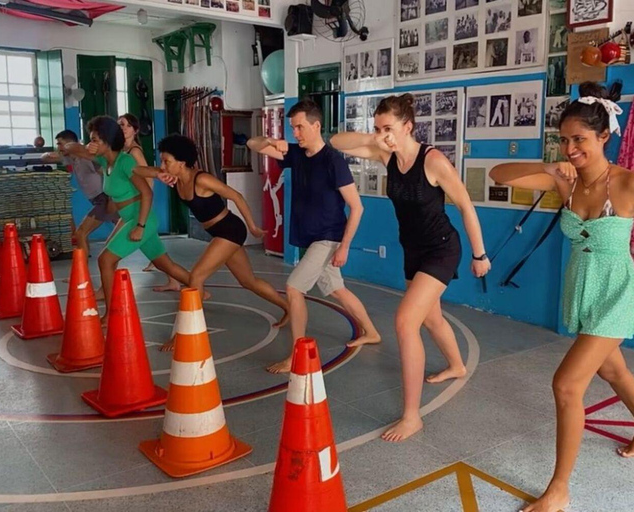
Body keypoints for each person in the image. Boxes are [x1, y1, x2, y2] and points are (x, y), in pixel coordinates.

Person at [490, 83, 634, 512]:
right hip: (582, 289)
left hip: (617, 293)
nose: (571, 148)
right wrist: (552, 167)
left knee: (567, 386)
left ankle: (559, 490)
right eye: (565, 139)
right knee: (614, 373)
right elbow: (500, 174)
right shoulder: (563, 181)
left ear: (604, 137)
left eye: (580, 140)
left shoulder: (626, 184)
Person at [330, 93, 490, 443]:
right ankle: (457, 366)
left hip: (442, 249)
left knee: (405, 322)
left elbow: (466, 206)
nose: (384, 134)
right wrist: (373, 138)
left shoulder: (433, 161)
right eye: (378, 128)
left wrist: (480, 255)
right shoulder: (384, 154)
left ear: (408, 127)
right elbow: (336, 141)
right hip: (413, 250)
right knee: (431, 318)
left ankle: (411, 416)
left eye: (389, 128)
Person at [247, 99, 382, 374]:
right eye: (292, 128)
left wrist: (344, 247)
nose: (295, 133)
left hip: (329, 238)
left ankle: (297, 355)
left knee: (295, 289)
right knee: (336, 289)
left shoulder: (334, 161)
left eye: (299, 127)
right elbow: (253, 144)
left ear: (316, 125)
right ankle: (372, 332)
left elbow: (357, 207)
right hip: (312, 238)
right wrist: (273, 140)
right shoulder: (295, 154)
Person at [136, 134, 289, 351]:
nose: (163, 165)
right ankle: (288, 307)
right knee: (248, 281)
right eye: (162, 161)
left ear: (181, 162)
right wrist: (160, 175)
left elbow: (236, 196)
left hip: (230, 230)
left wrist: (253, 226)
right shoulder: (173, 176)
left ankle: (184, 334)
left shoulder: (202, 180)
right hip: (219, 232)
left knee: (196, 276)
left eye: (166, 161)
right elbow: (137, 171)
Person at [65, 116, 191, 325]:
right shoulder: (106, 161)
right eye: (91, 139)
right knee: (165, 265)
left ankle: (111, 312)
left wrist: (140, 227)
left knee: (105, 260)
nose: (93, 143)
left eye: (96, 139)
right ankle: (200, 290)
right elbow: (72, 148)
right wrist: (85, 147)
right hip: (130, 218)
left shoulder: (125, 161)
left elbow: (147, 191)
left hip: (141, 219)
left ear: (106, 140)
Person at [117, 114, 181, 293]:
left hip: (138, 205)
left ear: (135, 130)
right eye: (120, 125)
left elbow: (148, 176)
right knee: (155, 247)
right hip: (132, 204)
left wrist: (142, 200)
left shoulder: (134, 151)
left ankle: (180, 280)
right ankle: (173, 279)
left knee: (112, 246)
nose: (122, 128)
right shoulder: (122, 150)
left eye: (126, 125)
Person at [41, 130, 118, 258]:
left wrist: (111, 198)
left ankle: (82, 272)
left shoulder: (88, 158)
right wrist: (49, 154)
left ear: (72, 144)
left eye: (61, 144)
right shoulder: (71, 158)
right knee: (126, 226)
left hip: (104, 199)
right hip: (96, 200)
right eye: (57, 144)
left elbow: (108, 172)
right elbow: (43, 158)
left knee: (81, 233)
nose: (59, 147)